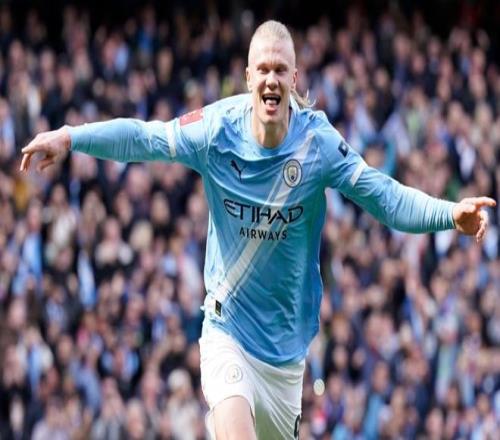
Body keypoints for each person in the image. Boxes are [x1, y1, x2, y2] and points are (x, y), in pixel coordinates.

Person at [20, 20, 495, 440]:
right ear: (248, 78)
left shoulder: (317, 145)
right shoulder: (215, 130)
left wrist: (448, 213)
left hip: (285, 358)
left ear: (294, 79)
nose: (271, 79)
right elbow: (146, 137)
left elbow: (384, 197)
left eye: (280, 70)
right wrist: (72, 137)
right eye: (262, 69)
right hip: (226, 328)